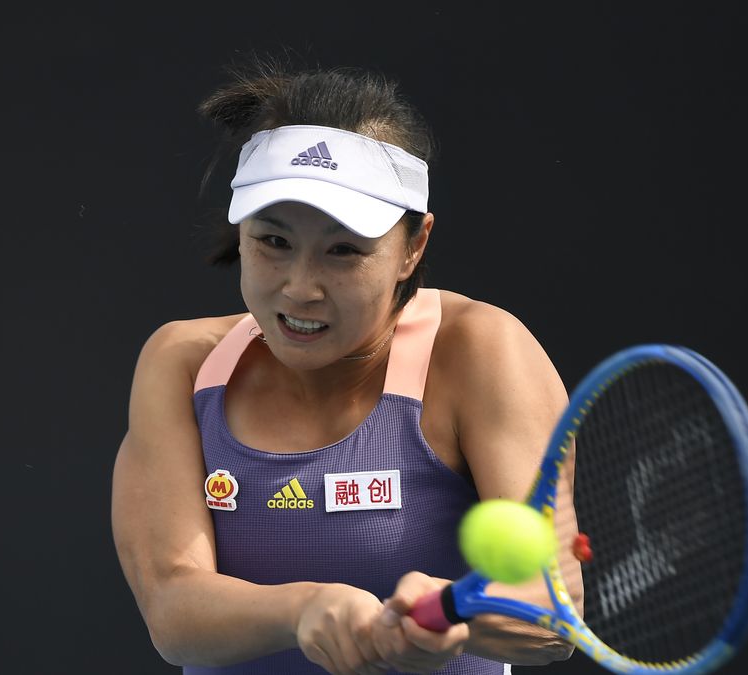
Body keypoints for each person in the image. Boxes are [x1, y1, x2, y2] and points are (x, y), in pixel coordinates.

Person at [111, 56, 584, 675]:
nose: (300, 289)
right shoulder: (181, 363)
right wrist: (303, 609)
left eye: (343, 251)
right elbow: (172, 609)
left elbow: (551, 610)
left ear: (413, 247)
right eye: (273, 241)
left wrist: (452, 618)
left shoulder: (482, 351)